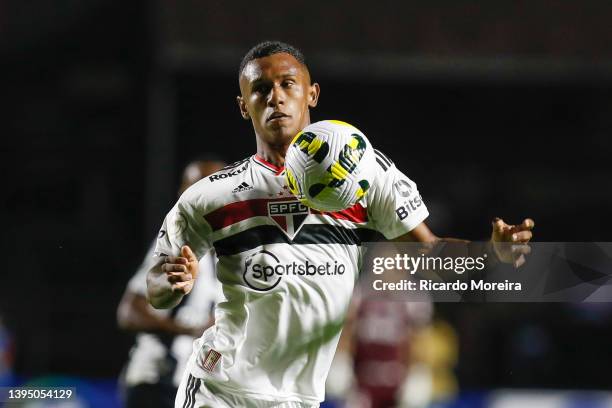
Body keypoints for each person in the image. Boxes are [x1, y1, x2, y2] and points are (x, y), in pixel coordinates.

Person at [146, 41, 535, 408]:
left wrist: (487, 252)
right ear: (243, 105)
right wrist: (172, 282)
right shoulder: (211, 196)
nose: (276, 97)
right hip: (220, 390)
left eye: (287, 84)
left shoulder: (365, 174)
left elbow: (428, 250)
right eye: (261, 89)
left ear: (311, 94)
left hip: (300, 398)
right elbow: (156, 289)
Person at [118, 159, 225, 408]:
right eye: (196, 188)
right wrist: (185, 331)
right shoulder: (176, 243)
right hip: (157, 383)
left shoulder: (236, 254)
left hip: (201, 390)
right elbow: (128, 312)